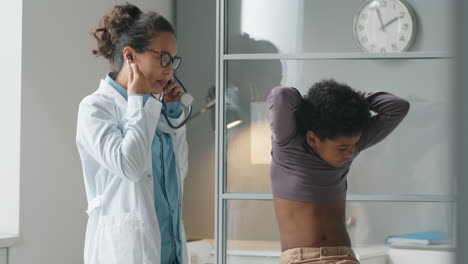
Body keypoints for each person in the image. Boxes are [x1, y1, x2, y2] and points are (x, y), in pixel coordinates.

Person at [76, 3, 189, 264]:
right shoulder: (95, 108)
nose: (170, 69)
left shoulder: (153, 108)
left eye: (173, 60)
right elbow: (130, 166)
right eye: (163, 58)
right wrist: (138, 100)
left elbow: (180, 171)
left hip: (169, 253)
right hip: (128, 253)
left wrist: (173, 116)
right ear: (130, 56)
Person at [268, 79, 410, 264]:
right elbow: (282, 95)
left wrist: (347, 103)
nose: (351, 153)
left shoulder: (349, 146)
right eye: (342, 148)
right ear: (312, 139)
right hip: (302, 260)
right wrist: (319, 106)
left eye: (354, 146)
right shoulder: (289, 146)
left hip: (345, 257)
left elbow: (398, 107)